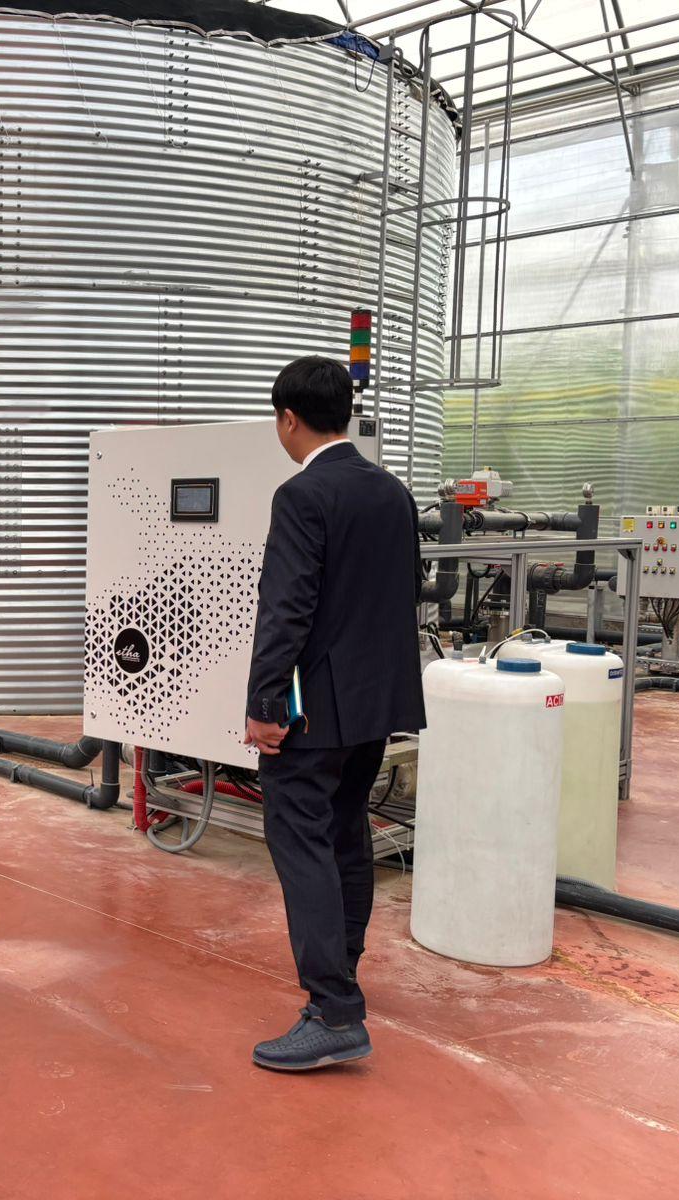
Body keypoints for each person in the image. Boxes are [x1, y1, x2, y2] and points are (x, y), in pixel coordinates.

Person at [244, 355, 425, 1072]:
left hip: (313, 711)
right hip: (376, 705)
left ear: (288, 419)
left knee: (301, 842)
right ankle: (342, 973)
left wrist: (266, 706)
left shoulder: (302, 495)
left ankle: (333, 1010)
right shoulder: (392, 492)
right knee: (346, 835)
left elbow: (284, 610)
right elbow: (405, 594)